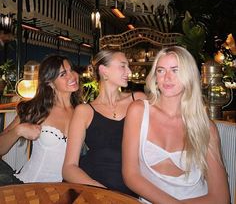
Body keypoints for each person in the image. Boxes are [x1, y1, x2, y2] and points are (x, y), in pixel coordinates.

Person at [122, 46, 230, 204]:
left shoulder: (206, 127)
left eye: (175, 70)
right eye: (161, 70)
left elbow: (221, 197)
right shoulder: (138, 111)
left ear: (189, 75)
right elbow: (130, 175)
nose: (167, 77)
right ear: (155, 77)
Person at [62, 49, 146, 196]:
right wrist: (102, 192)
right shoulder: (84, 111)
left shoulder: (138, 99)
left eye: (128, 66)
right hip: (92, 187)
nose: (129, 71)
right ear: (104, 70)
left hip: (130, 187)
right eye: (123, 66)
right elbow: (69, 168)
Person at [0, 54, 80, 185]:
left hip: (65, 190)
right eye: (63, 74)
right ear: (50, 83)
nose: (72, 76)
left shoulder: (82, 111)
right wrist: (18, 131)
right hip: (30, 186)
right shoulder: (36, 109)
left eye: (71, 70)